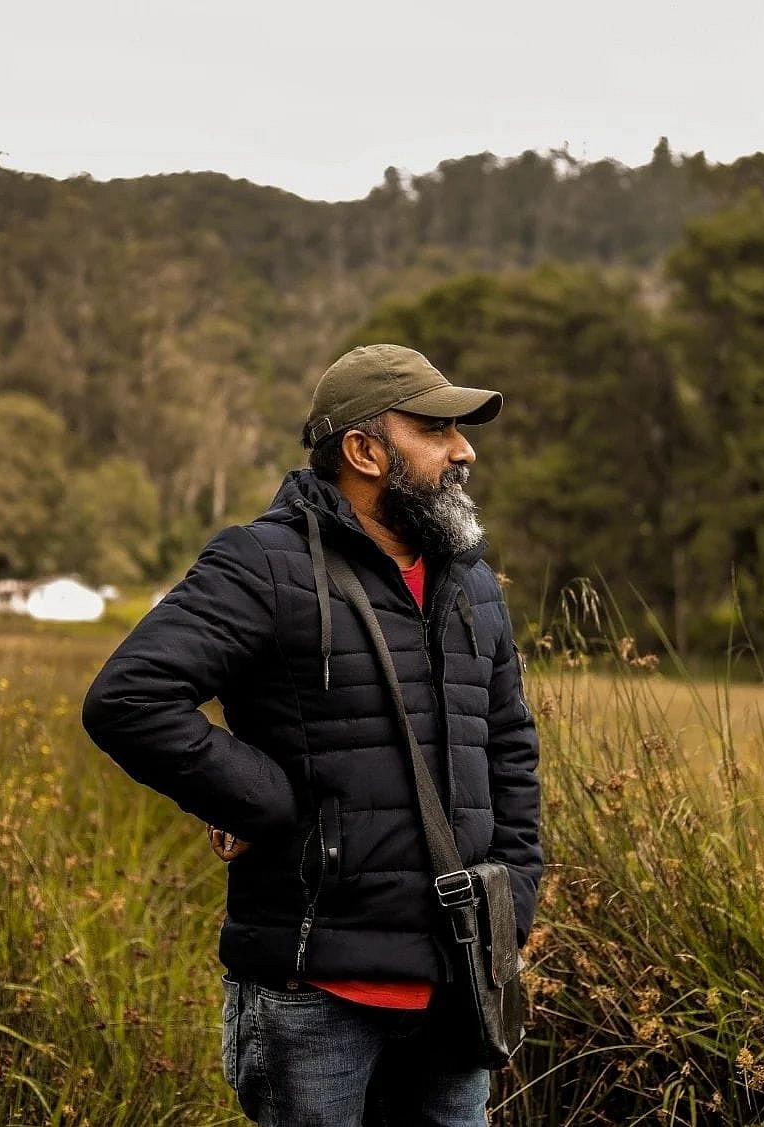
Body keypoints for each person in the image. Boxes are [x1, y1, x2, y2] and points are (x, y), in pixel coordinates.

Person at [82, 343, 542, 1127]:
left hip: (461, 984)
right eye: (436, 428)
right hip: (315, 993)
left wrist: (514, 901)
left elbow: (510, 748)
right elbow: (129, 697)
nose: (463, 450)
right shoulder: (263, 563)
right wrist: (264, 802)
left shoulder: (470, 583)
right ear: (364, 450)